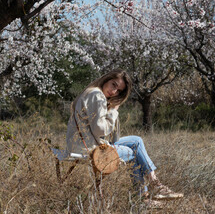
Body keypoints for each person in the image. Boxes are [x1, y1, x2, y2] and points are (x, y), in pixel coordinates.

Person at [66, 69, 183, 205]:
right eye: (113, 85)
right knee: (132, 152)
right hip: (89, 149)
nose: (114, 91)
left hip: (82, 144)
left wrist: (111, 110)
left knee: (136, 141)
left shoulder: (92, 92)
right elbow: (99, 130)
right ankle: (146, 195)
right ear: (106, 79)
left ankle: (153, 187)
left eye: (119, 91)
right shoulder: (97, 95)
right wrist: (113, 112)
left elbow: (112, 139)